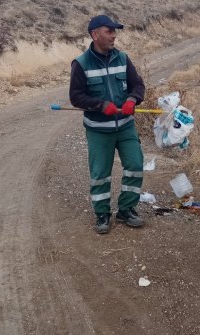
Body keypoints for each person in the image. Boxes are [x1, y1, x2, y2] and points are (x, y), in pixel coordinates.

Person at [69, 14, 146, 234]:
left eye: (115, 32)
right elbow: (76, 97)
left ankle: (126, 209)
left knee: (135, 166)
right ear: (95, 35)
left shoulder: (123, 58)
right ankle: (102, 214)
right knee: (100, 173)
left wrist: (132, 99)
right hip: (98, 130)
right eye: (109, 31)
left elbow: (138, 86)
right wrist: (101, 105)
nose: (114, 36)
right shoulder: (81, 64)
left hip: (126, 126)